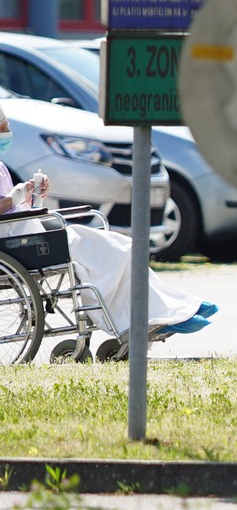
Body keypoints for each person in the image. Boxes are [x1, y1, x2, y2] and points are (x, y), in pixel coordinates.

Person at [0, 106, 216, 339]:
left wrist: (33, 196)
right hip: (17, 244)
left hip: (27, 234)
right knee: (112, 251)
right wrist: (15, 198)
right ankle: (146, 317)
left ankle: (172, 310)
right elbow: (10, 207)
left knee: (123, 247)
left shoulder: (2, 167)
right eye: (3, 128)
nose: (8, 132)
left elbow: (17, 209)